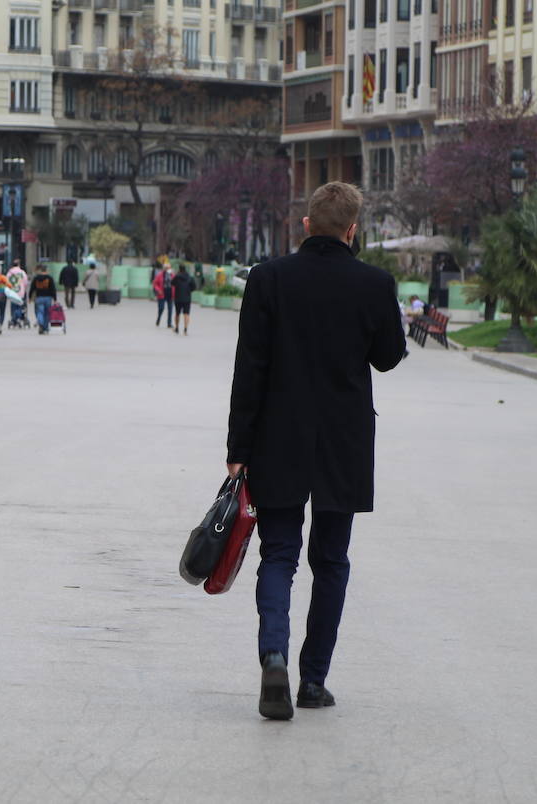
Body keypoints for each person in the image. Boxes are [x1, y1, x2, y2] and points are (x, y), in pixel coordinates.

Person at [226, 181, 406, 721]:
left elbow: (248, 370)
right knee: (330, 560)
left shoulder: (268, 279)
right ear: (353, 231)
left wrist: (238, 449)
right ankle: (314, 680)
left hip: (276, 438)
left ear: (306, 224)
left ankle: (273, 655)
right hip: (343, 444)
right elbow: (389, 357)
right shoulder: (375, 283)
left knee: (278, 554)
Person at [30, 263, 57, 333]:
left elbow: (32, 288)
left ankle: (41, 324)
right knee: (47, 313)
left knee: (39, 312)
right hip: (48, 298)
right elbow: (53, 289)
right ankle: (45, 327)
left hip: (39, 297)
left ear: (41, 270)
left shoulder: (36, 278)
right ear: (46, 270)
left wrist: (30, 297)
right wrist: (55, 299)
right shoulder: (50, 278)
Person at [171, 264, 196, 335]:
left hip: (178, 298)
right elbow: (194, 287)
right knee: (186, 314)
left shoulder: (177, 277)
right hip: (187, 298)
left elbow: (172, 283)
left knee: (177, 313)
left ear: (179, 269)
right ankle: (185, 329)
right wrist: (188, 290)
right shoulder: (190, 277)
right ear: (185, 269)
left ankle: (177, 328)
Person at [153, 263, 175, 329]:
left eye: (169, 268)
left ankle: (169, 323)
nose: (169, 269)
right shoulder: (159, 275)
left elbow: (176, 283)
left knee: (170, 309)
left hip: (170, 293)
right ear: (164, 268)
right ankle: (159, 318)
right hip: (162, 293)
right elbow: (155, 283)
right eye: (167, 268)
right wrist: (158, 290)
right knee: (161, 308)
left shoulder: (172, 275)